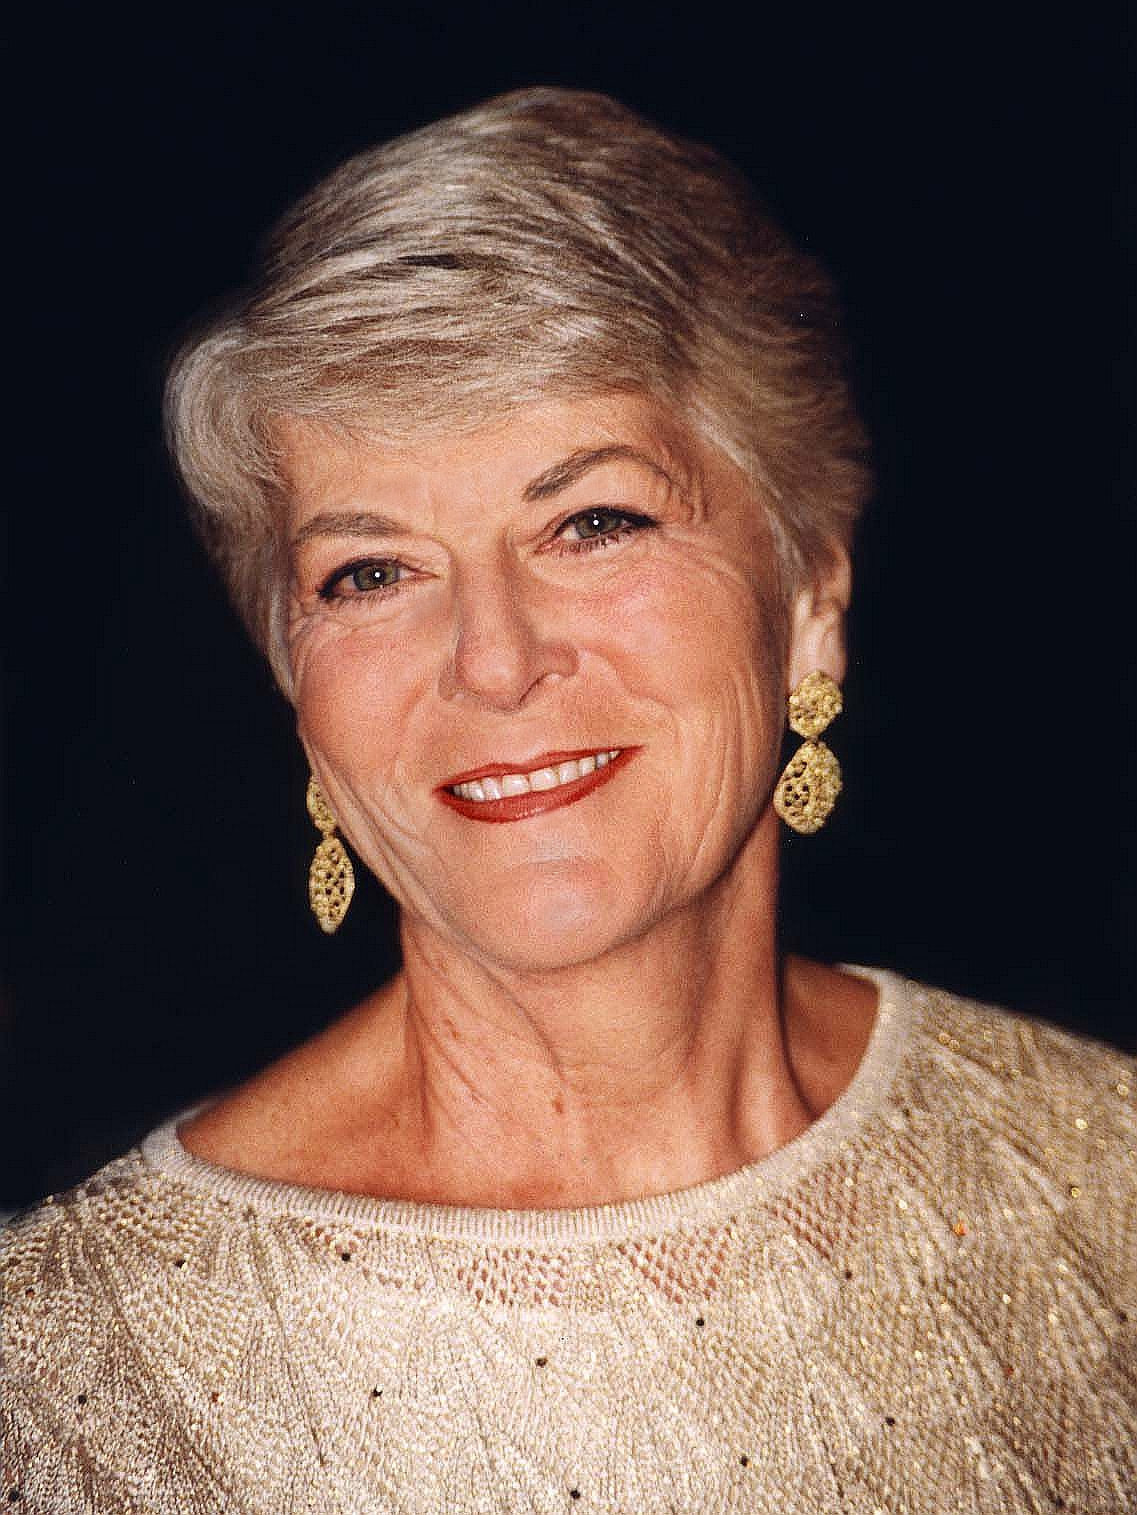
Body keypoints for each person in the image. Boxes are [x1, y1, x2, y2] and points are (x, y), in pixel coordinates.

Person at [2, 88, 1133, 1514]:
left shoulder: (1095, 1169)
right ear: (296, 687)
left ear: (809, 599)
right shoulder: (78, 1383)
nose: (493, 662)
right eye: (370, 573)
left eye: (591, 523)